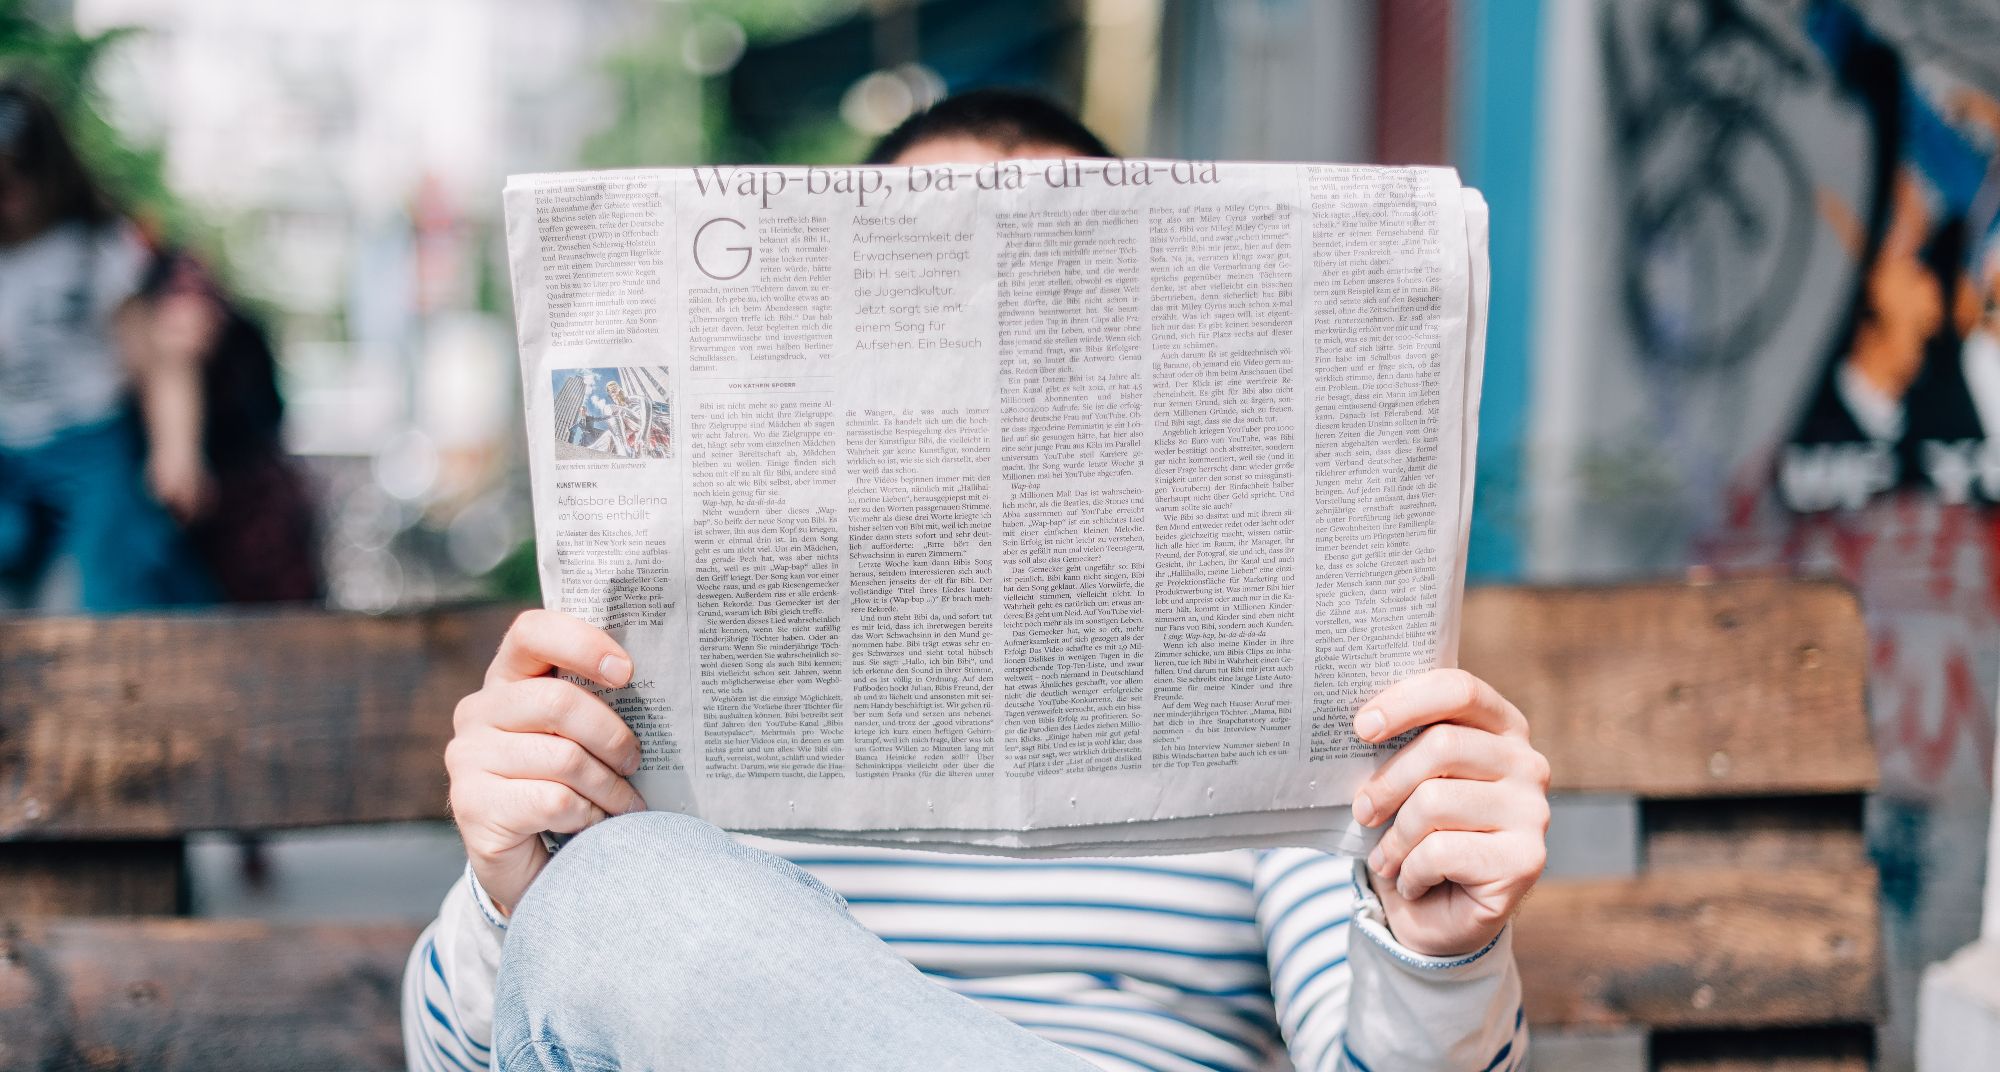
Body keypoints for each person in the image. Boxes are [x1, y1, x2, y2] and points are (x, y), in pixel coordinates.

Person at [406, 89, 1548, 1072]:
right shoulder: (652, 707)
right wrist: (513, 895)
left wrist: (1435, 951)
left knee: (621, 891)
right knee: (621, 890)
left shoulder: (1282, 691)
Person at [0, 80, 214, 610]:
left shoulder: (96, 246)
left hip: (90, 443)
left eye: (20, 173)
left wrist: (176, 450)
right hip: (7, 449)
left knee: (104, 585)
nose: (12, 195)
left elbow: (160, 360)